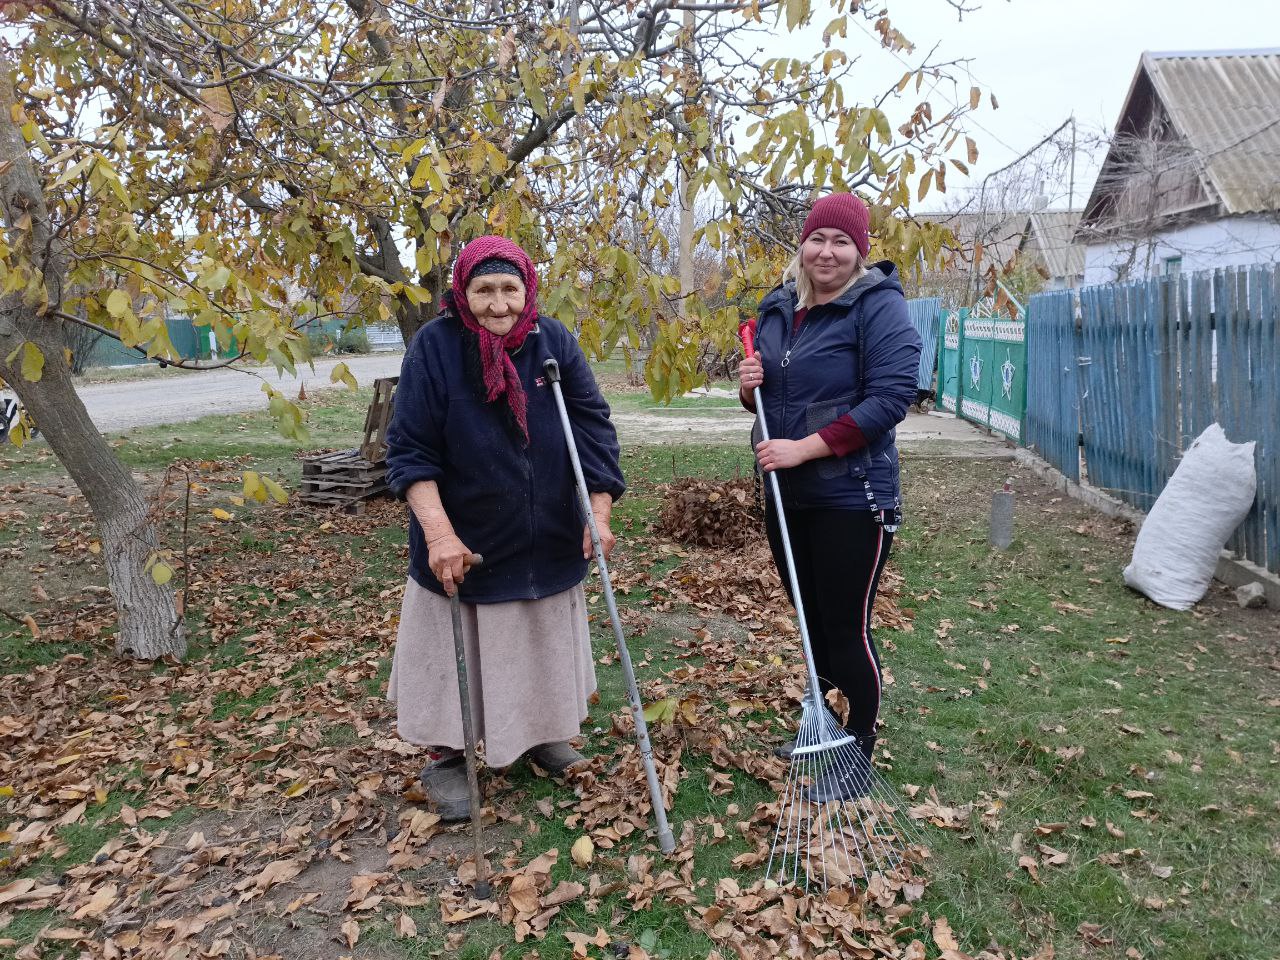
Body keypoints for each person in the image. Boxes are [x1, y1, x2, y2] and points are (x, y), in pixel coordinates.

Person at [385, 235, 625, 821]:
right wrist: (439, 535)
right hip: (466, 538)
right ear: (463, 294)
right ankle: (450, 756)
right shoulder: (434, 348)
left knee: (538, 643)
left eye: (509, 289)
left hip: (547, 535)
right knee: (459, 651)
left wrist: (598, 514)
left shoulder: (553, 341)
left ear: (528, 290)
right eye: (484, 290)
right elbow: (409, 450)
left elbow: (593, 432)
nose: (498, 305)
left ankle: (539, 733)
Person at [738, 193, 921, 801]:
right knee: (812, 625)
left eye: (842, 242)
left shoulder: (878, 308)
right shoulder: (778, 307)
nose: (828, 252)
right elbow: (772, 395)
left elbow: (890, 399)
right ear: (803, 243)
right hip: (787, 492)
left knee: (844, 629)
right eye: (818, 238)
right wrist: (748, 388)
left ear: (860, 251)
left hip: (852, 493)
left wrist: (805, 448)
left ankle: (859, 748)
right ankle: (822, 721)